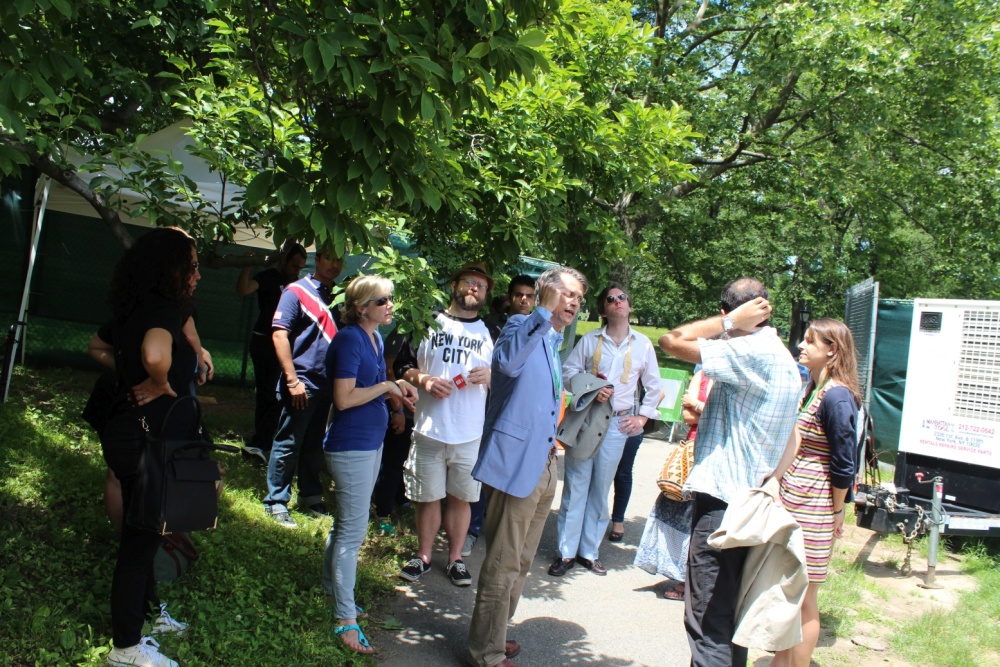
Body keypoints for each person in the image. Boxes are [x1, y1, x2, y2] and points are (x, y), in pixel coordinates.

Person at [658, 277, 801, 667]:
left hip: (723, 506)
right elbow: (795, 436)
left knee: (709, 623)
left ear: (730, 311)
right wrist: (773, 479)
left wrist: (728, 323)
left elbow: (671, 341)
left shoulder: (749, 349)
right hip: (753, 505)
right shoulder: (783, 357)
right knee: (730, 618)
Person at [87, 227, 203, 667]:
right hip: (145, 439)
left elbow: (98, 345)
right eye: (192, 266)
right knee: (139, 544)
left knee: (146, 531)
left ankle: (150, 614)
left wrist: (128, 374)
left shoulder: (134, 306)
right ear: (170, 269)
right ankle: (126, 648)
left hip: (129, 432)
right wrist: (156, 380)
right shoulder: (165, 311)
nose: (197, 275)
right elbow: (156, 354)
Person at [466, 265, 588, 667]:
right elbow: (505, 364)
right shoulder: (523, 324)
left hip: (546, 464)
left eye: (579, 297)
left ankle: (496, 634)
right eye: (567, 293)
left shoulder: (554, 340)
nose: (574, 302)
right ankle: (485, 652)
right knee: (503, 562)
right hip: (516, 464)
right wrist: (541, 312)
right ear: (546, 291)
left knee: (521, 561)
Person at [322, 276, 418, 655]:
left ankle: (331, 591)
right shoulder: (350, 339)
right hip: (351, 446)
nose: (390, 304)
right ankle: (345, 619)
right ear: (362, 307)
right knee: (352, 533)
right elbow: (344, 399)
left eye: (390, 298)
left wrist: (399, 389)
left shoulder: (374, 337)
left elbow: (376, 383)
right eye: (382, 300)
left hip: (368, 443)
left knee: (345, 525)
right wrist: (388, 388)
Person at [395, 261, 500, 587]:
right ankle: (424, 556)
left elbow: (510, 379)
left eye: (481, 285)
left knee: (461, 499)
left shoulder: (493, 331)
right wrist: (423, 380)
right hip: (429, 428)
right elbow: (402, 366)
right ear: (454, 285)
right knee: (427, 497)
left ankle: (455, 559)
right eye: (468, 282)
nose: (474, 288)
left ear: (486, 293)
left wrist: (492, 375)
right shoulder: (428, 321)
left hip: (469, 434)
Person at [549, 284, 661, 577]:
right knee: (576, 487)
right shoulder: (590, 340)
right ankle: (565, 553)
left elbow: (654, 386)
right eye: (610, 299)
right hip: (587, 420)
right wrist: (592, 388)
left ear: (629, 305)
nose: (617, 301)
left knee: (600, 489)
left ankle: (589, 552)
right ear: (603, 309)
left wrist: (642, 418)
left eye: (622, 297)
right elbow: (569, 374)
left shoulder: (643, 344)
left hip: (619, 424)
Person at [770, 319, 859, 667]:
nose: (801, 347)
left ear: (832, 349)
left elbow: (844, 463)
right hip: (795, 501)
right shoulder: (814, 387)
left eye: (810, 341)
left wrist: (837, 511)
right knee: (787, 592)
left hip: (817, 506)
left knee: (805, 596)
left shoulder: (837, 396)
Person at [262, 248, 344, 528]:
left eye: (340, 259)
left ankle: (310, 496)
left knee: (314, 444)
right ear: (317, 259)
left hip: (330, 384)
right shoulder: (296, 291)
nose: (335, 264)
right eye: (330, 258)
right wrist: (291, 380)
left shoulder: (340, 296)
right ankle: (276, 500)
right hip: (302, 382)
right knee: (289, 442)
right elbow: (279, 335)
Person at [464, 275, 537, 557]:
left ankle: (495, 529)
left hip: (519, 412)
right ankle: (472, 529)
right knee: (480, 470)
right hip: (484, 407)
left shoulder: (540, 331)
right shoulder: (490, 327)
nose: (524, 300)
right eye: (519, 295)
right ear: (509, 297)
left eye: (529, 295)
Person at [634, 368, 714, 601]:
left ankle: (692, 582)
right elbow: (688, 417)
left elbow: (726, 419)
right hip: (691, 454)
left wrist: (697, 405)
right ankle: (681, 575)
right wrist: (704, 412)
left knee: (703, 519)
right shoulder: (703, 374)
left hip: (714, 458)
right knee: (675, 510)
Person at [235, 242, 308, 464]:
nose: (296, 270)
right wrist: (247, 264)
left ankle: (264, 441)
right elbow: (243, 290)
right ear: (283, 259)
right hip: (264, 342)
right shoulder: (268, 277)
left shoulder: (297, 285)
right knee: (267, 392)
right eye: (294, 265)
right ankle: (260, 442)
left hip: (285, 345)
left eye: (300, 267)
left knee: (276, 394)